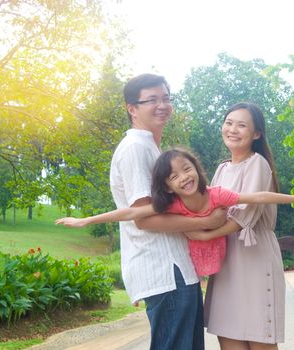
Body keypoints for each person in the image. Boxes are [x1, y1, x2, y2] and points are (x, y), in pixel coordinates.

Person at [56, 148, 294, 277]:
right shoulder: (173, 205)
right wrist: (86, 220)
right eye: (174, 176)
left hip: (221, 256)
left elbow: (257, 196)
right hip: (195, 264)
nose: (184, 177)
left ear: (196, 169)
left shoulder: (216, 194)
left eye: (187, 169)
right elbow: (129, 213)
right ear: (167, 186)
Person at [106, 74, 226, 350]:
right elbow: (144, 218)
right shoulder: (136, 148)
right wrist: (207, 220)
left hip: (177, 269)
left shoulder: (150, 146)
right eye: (152, 100)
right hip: (163, 270)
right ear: (132, 108)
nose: (162, 105)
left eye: (166, 98)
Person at [185, 102, 293, 350]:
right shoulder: (222, 168)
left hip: (254, 258)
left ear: (256, 134)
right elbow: (209, 208)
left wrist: (206, 234)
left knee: (259, 338)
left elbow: (243, 217)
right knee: (229, 335)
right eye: (229, 123)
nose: (233, 129)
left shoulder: (258, 164)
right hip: (226, 260)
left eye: (241, 125)